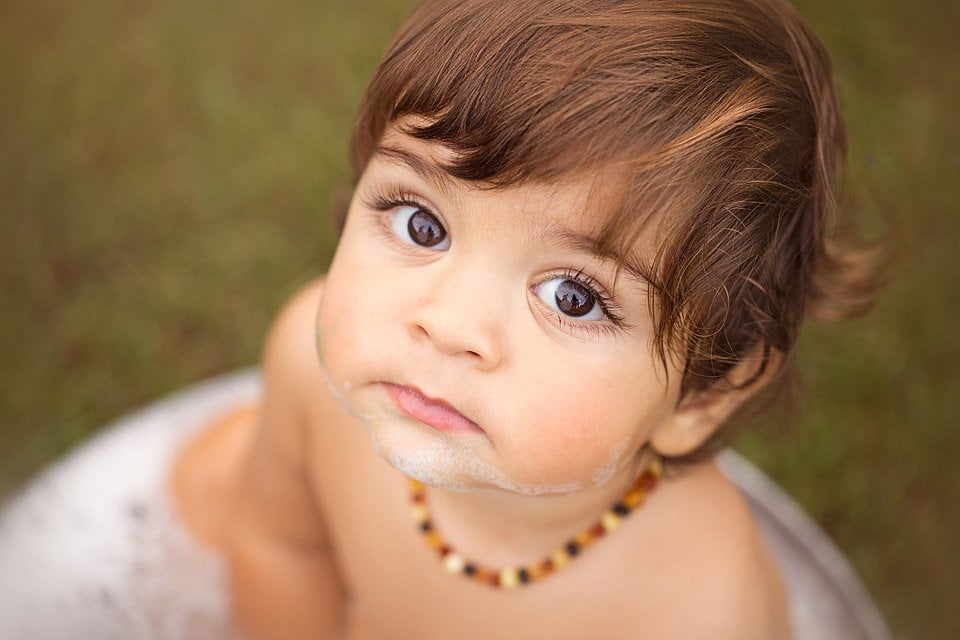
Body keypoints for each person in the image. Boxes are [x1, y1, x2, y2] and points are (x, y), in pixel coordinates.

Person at [170, 0, 875, 637]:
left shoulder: (695, 606)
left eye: (573, 296)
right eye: (422, 223)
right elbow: (281, 544)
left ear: (705, 393)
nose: (447, 325)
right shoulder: (307, 369)